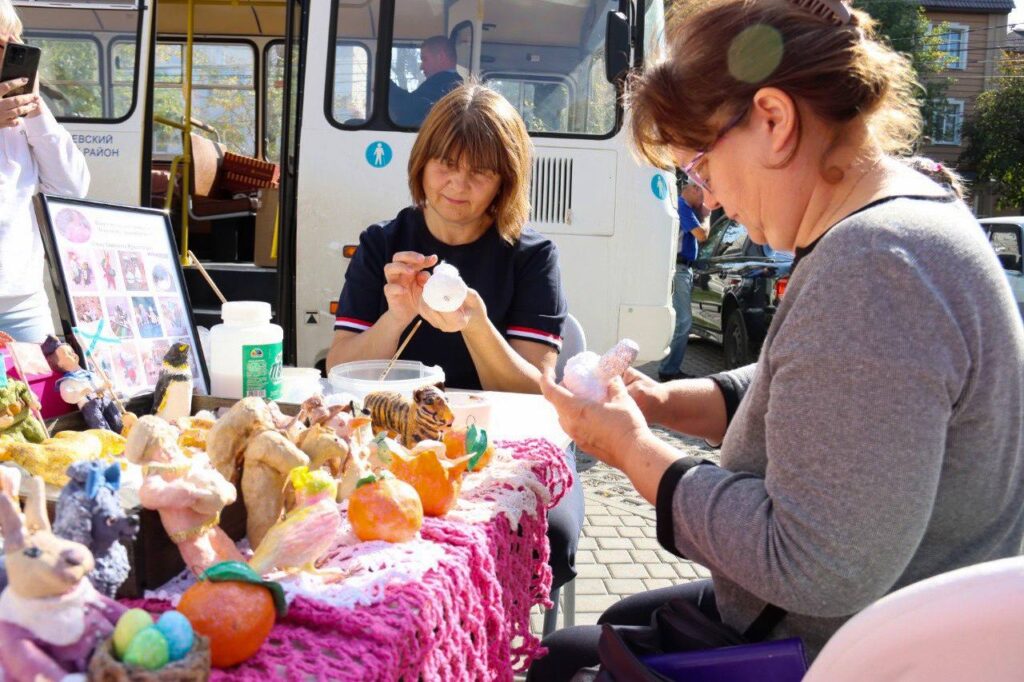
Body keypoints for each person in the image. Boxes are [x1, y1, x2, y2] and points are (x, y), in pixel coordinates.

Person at [528, 0, 1024, 678]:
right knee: (608, 629)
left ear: (773, 119)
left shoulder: (876, 265)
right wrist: (666, 402)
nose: (708, 198)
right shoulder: (906, 220)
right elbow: (813, 394)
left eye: (700, 166)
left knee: (560, 660)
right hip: (857, 627)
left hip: (845, 656)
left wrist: (631, 450)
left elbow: (816, 564)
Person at [328, 83, 583, 590]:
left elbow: (538, 392)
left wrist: (476, 325)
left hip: (498, 445)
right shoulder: (384, 244)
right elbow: (339, 367)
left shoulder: (529, 256)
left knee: (547, 532)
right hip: (395, 441)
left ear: (503, 182)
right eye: (445, 163)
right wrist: (396, 315)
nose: (458, 185)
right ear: (422, 163)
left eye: (480, 172)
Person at [0, 0, 90, 342]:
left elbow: (71, 187)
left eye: (16, 44)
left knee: (39, 395)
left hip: (23, 301)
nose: (9, 54)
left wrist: (38, 111)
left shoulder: (24, 117)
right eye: (0, 45)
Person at [658, 181, 709, 382]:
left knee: (680, 321)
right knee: (684, 321)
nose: (704, 202)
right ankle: (669, 370)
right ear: (694, 189)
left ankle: (669, 368)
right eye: (703, 196)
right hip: (680, 269)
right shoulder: (683, 206)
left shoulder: (684, 207)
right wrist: (707, 216)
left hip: (682, 268)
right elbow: (702, 234)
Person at [389, 35, 464, 127]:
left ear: (441, 57)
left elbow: (408, 109)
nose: (421, 67)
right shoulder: (456, 83)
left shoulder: (441, 85)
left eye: (424, 59)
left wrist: (386, 86)